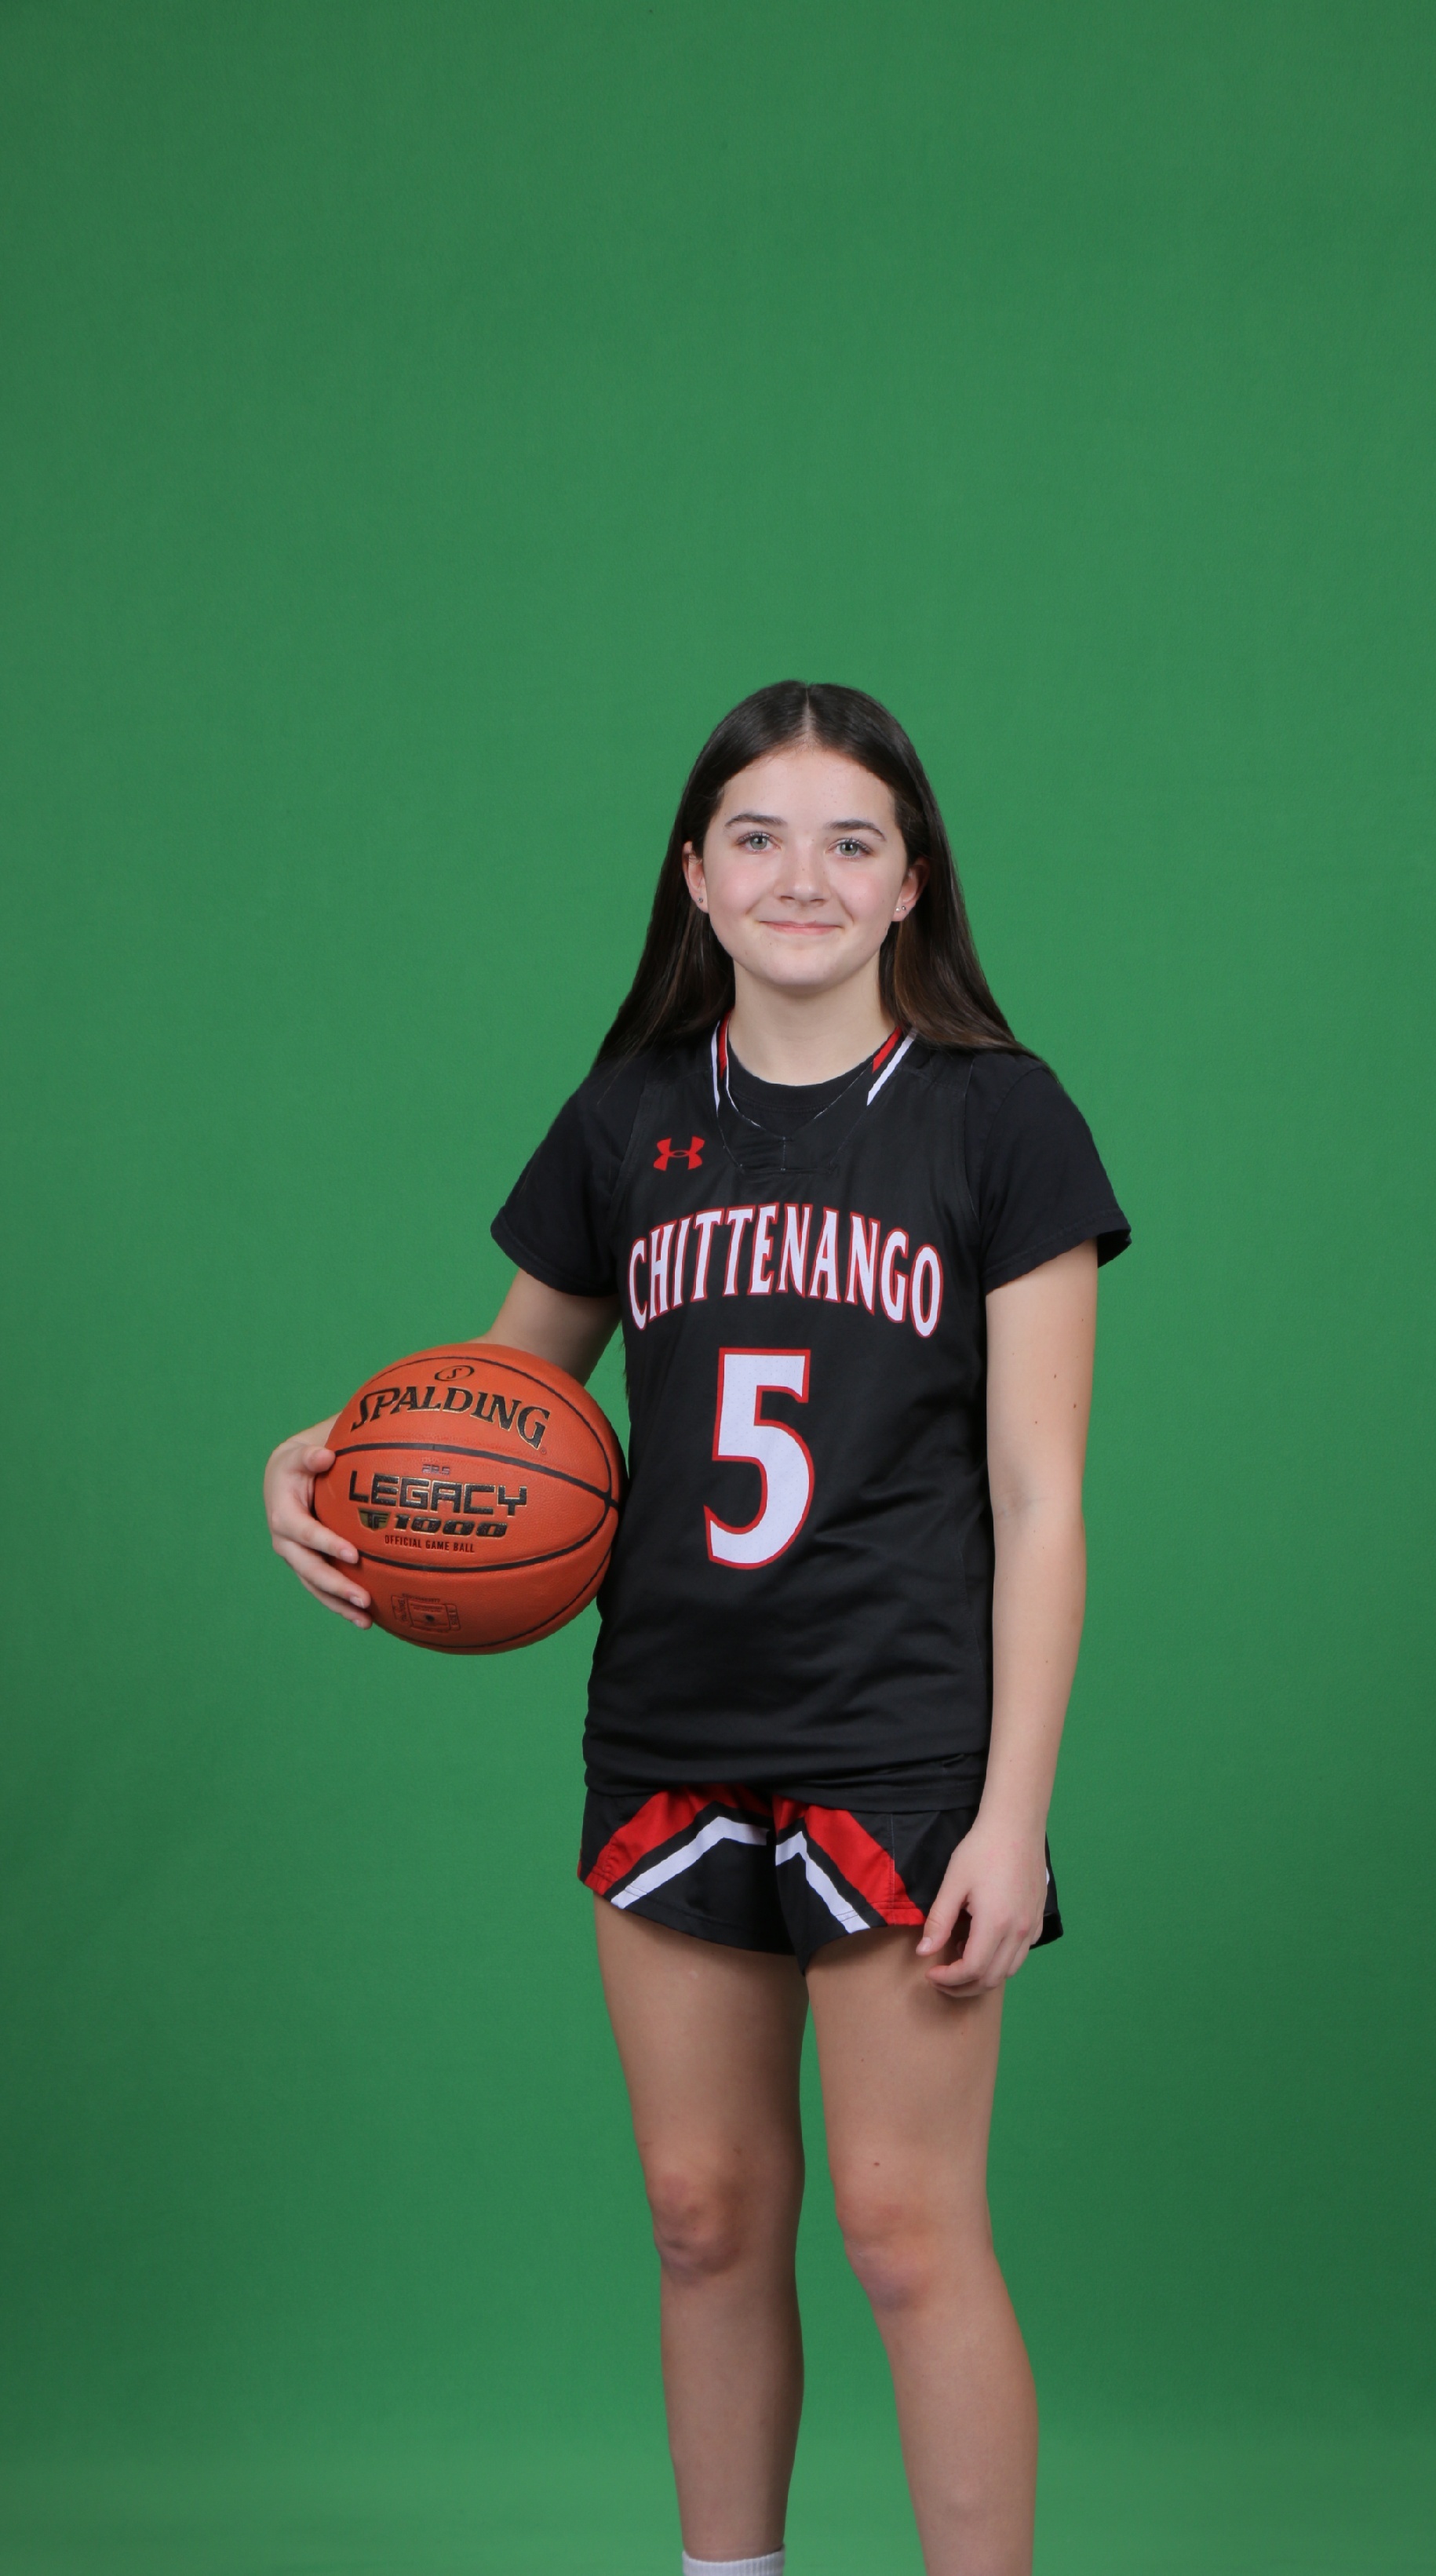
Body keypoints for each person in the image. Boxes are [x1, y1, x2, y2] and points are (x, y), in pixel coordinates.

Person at [263, 682, 1129, 2576]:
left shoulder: (1001, 1118)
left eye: (849, 840)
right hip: (668, 1727)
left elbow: (1043, 1497)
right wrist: (321, 1468)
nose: (801, 875)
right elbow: (491, 1415)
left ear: (911, 882)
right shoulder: (631, 1116)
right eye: (758, 836)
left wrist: (1013, 1814)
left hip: (904, 1744)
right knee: (700, 2215)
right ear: (695, 874)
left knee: (906, 2231)